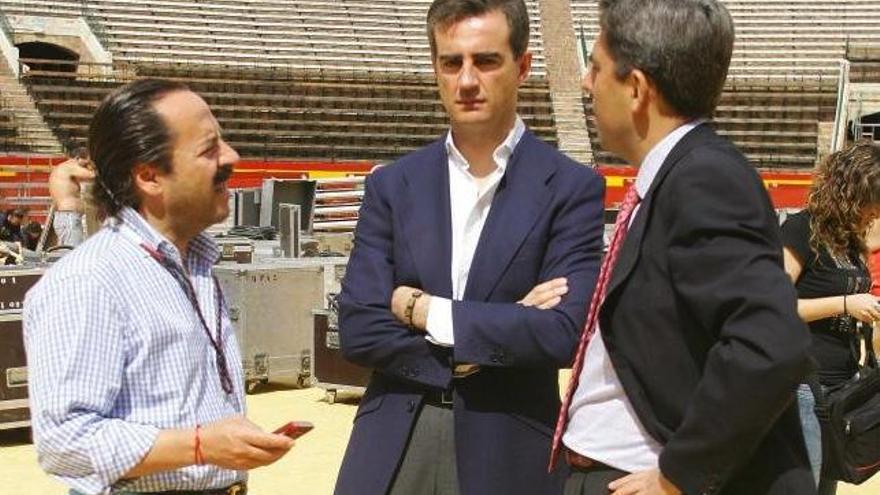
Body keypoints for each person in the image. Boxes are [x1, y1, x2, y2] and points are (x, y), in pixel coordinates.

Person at [334, 1, 605, 494]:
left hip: (507, 449)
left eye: (486, 60)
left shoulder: (572, 188)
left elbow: (563, 333)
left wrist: (426, 311)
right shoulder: (392, 185)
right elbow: (358, 327)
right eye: (451, 62)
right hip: (393, 442)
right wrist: (488, 336)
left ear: (522, 67)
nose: (466, 80)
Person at [553, 1, 815, 494]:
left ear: (636, 89)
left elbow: (771, 344)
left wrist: (680, 475)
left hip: (645, 475)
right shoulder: (680, 176)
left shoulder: (703, 178)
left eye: (596, 68)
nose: (586, 84)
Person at [24, 79, 294, 495]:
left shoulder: (197, 264)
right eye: (209, 149)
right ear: (149, 177)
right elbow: (65, 443)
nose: (232, 157)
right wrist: (201, 445)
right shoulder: (90, 280)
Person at [781, 140, 880, 494]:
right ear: (852, 192)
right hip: (803, 386)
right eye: (871, 204)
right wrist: (845, 303)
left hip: (841, 388)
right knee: (805, 487)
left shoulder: (850, 241)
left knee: (826, 487)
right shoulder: (800, 229)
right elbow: (774, 306)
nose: (874, 213)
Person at [49, 148, 96, 247]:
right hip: (68, 217)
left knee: (67, 252)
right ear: (78, 158)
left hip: (66, 217)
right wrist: (92, 165)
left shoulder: (63, 169)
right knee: (72, 251)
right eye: (85, 164)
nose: (86, 167)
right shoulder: (70, 166)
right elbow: (92, 175)